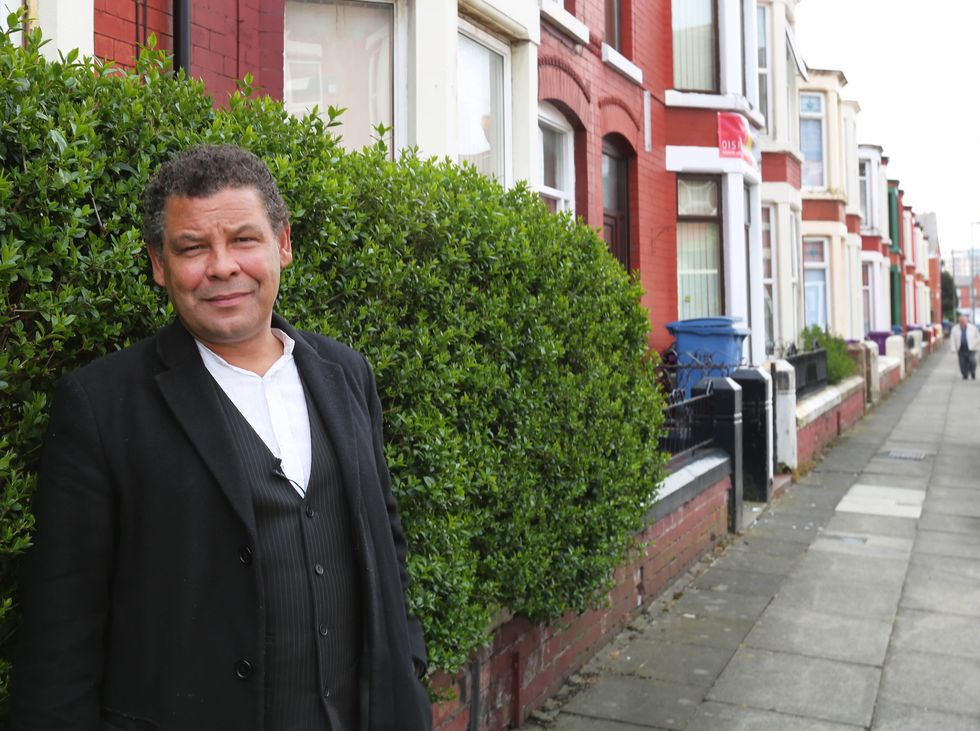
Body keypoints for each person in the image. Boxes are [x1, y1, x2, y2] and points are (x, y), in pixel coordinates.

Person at [12, 144, 432, 731]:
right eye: (192, 248)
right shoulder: (102, 404)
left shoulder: (345, 373)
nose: (222, 266)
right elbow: (63, 626)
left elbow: (384, 536)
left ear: (282, 243)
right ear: (159, 264)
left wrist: (405, 660)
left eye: (243, 239)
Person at [950, 313, 980, 380]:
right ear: (959, 321)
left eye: (964, 321)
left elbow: (978, 337)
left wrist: (975, 344)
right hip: (961, 349)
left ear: (967, 321)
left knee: (973, 361)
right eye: (961, 321)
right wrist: (953, 348)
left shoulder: (973, 328)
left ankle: (972, 372)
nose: (963, 322)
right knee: (962, 363)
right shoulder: (955, 329)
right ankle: (965, 374)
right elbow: (952, 339)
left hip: (972, 348)